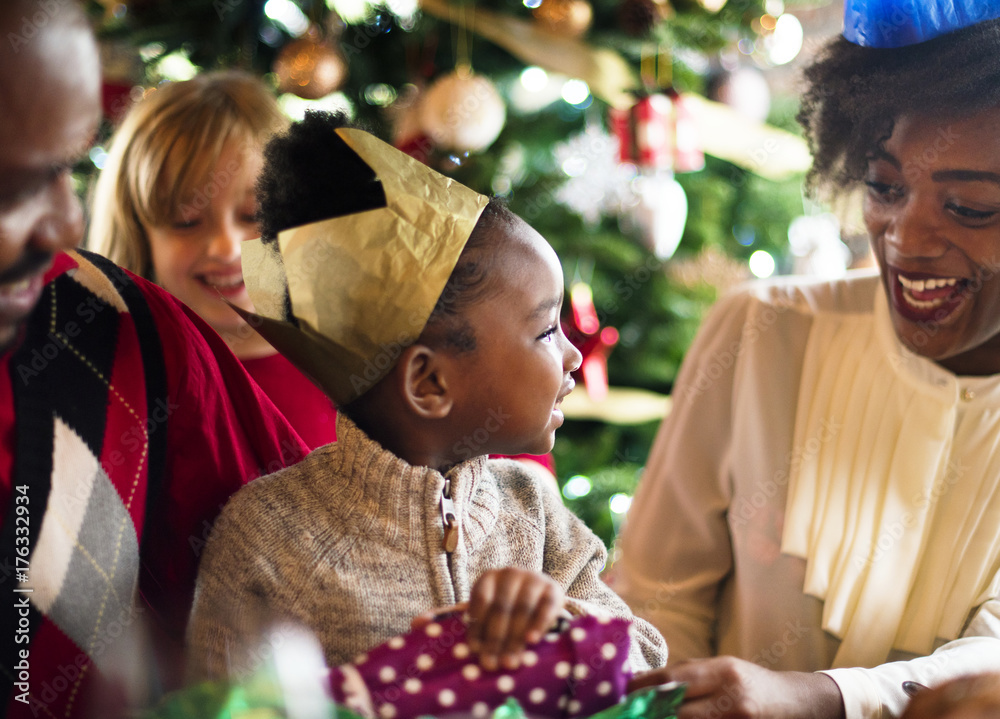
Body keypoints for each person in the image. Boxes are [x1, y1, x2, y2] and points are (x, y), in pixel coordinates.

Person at [185, 112, 668, 689]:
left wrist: (563, 623)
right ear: (429, 384)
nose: (573, 355)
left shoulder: (534, 512)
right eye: (544, 331)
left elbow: (647, 665)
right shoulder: (267, 539)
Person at [612, 3, 1000, 719]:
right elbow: (652, 600)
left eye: (970, 207)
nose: (905, 240)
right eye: (886, 188)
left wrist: (813, 699)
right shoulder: (760, 331)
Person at [0, 3, 308, 717]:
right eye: (13, 178)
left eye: (64, 168)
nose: (64, 223)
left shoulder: (129, 337)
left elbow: (319, 585)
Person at [89, 71, 337, 449]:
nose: (226, 248)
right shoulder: (114, 380)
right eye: (187, 221)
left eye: (254, 214)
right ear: (139, 236)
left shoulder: (347, 370)